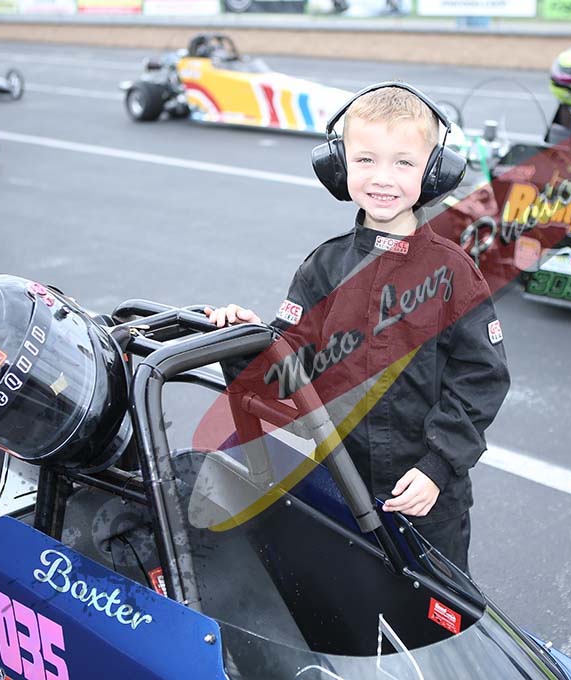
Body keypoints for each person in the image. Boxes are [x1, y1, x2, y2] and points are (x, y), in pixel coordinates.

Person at [205, 83, 510, 573]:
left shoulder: (454, 272)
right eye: (365, 160)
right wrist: (247, 340)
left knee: (438, 605)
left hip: (426, 496)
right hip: (340, 486)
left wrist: (437, 466)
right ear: (338, 165)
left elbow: (482, 379)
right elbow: (284, 373)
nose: (382, 178)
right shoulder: (323, 268)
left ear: (435, 170)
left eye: (404, 162)